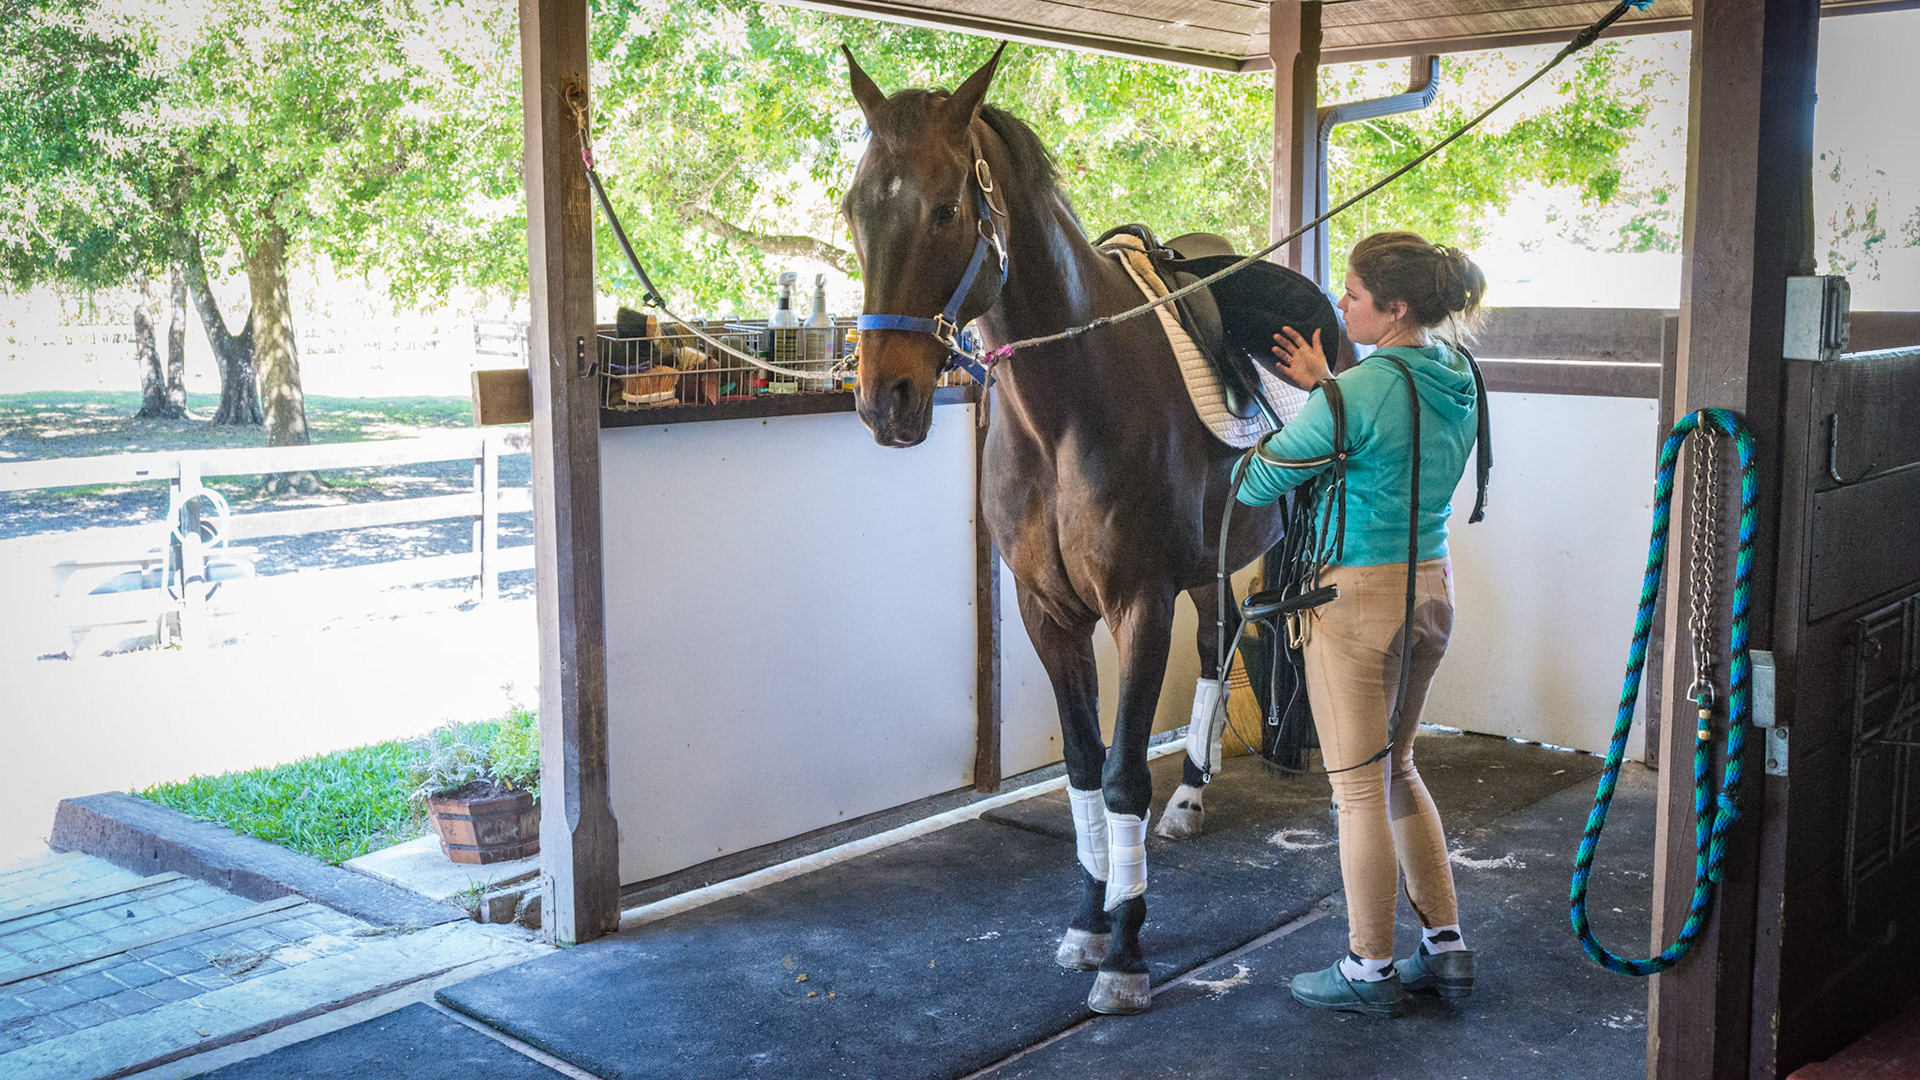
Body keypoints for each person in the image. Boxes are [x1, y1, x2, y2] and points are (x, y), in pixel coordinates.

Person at [1238, 231, 1487, 1018]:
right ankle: (1444, 946)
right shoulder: (1457, 372)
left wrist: (1322, 396)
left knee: (1356, 794)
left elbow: (1257, 480)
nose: (1340, 305)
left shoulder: (1363, 390)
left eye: (1352, 294)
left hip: (1357, 603)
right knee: (1399, 767)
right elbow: (1383, 431)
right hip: (1431, 591)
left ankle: (1369, 968)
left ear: (1397, 307)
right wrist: (1330, 389)